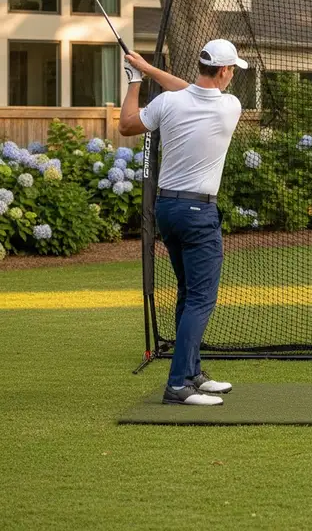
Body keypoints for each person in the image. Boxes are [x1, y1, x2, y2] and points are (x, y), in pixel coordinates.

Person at [118, 39, 248, 405]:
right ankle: (177, 385)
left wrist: (137, 78)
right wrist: (147, 70)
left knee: (188, 293)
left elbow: (127, 124)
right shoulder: (230, 106)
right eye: (232, 69)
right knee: (201, 299)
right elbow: (191, 91)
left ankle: (191, 371)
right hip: (199, 215)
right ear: (222, 71)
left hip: (167, 211)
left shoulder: (168, 102)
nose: (233, 75)